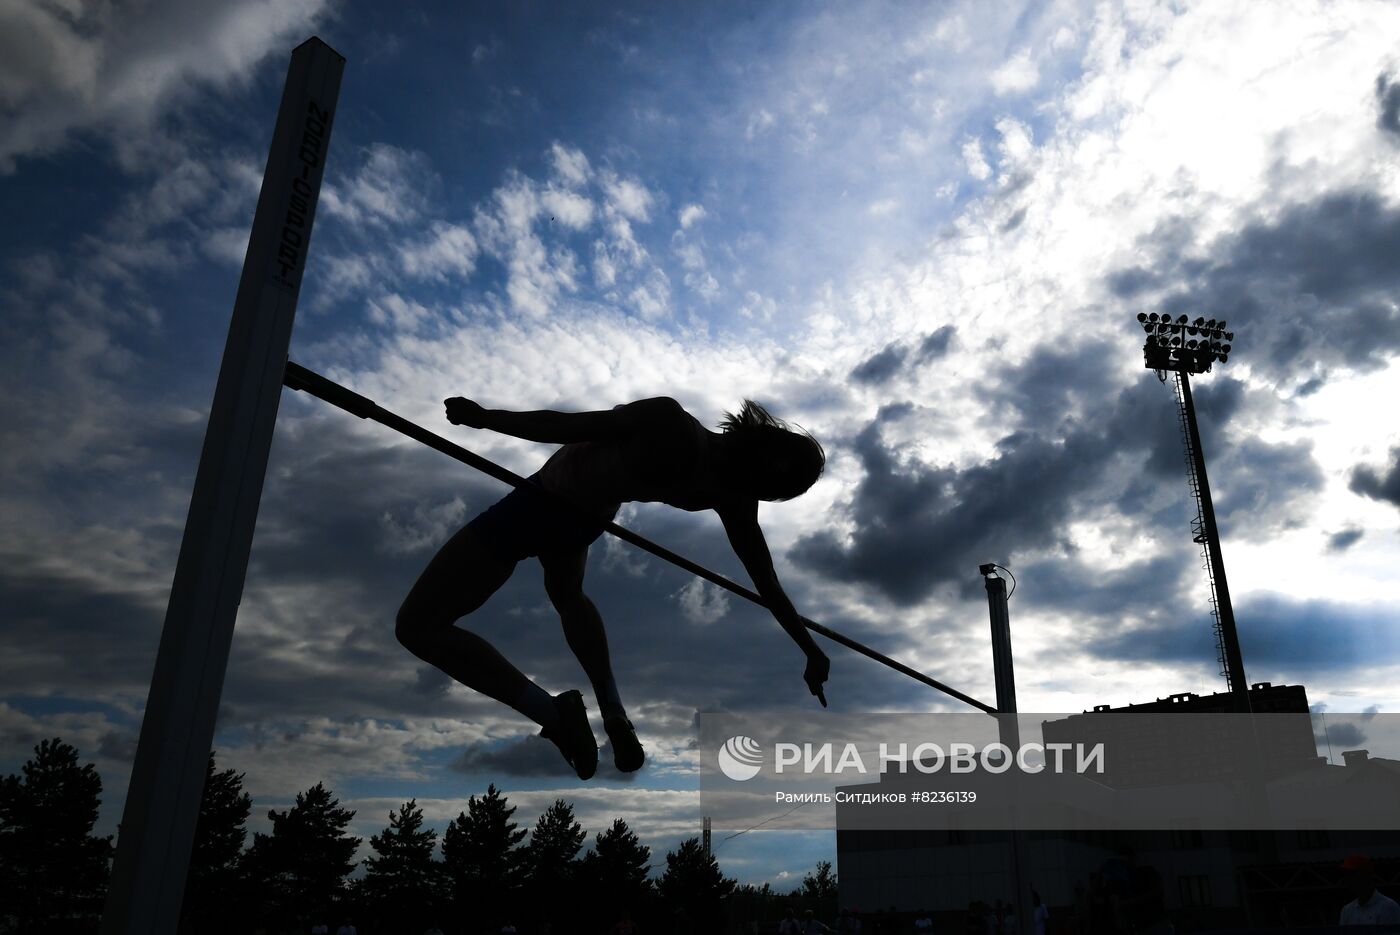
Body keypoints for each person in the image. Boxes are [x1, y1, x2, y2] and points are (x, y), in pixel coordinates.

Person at [397, 395, 828, 779]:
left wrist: (485, 418)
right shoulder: (733, 492)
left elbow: (564, 426)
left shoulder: (671, 422)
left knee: (418, 626)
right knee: (567, 597)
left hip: (542, 503)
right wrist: (809, 649)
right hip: (585, 521)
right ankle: (613, 708)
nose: (756, 489)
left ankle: (554, 713)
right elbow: (766, 583)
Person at [1339, 854, 1400, 925]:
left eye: (1352, 874)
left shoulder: (1388, 907)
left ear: (1366, 875)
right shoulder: (1347, 910)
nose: (1347, 879)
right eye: (1346, 875)